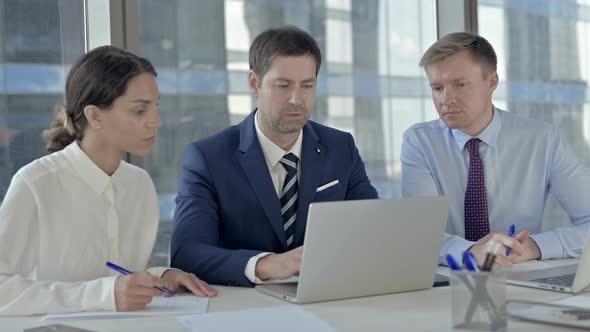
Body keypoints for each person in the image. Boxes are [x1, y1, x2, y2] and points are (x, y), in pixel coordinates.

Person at [0, 46, 216, 316]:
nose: (156, 121)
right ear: (95, 116)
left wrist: (161, 276)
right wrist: (105, 294)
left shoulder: (139, 184)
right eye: (140, 110)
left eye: (155, 106)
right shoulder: (35, 184)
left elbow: (121, 271)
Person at [171, 26, 378, 287]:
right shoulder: (208, 158)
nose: (296, 99)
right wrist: (265, 265)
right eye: (283, 85)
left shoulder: (341, 147)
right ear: (254, 83)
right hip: (244, 309)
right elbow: (186, 253)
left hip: (326, 298)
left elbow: (373, 229)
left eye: (307, 86)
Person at [401, 32, 590, 267]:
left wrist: (537, 246)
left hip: (521, 278)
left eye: (460, 85)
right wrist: (471, 251)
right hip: (447, 280)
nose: (446, 99)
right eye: (437, 88)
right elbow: (419, 236)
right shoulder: (419, 142)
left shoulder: (542, 139)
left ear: (491, 82)